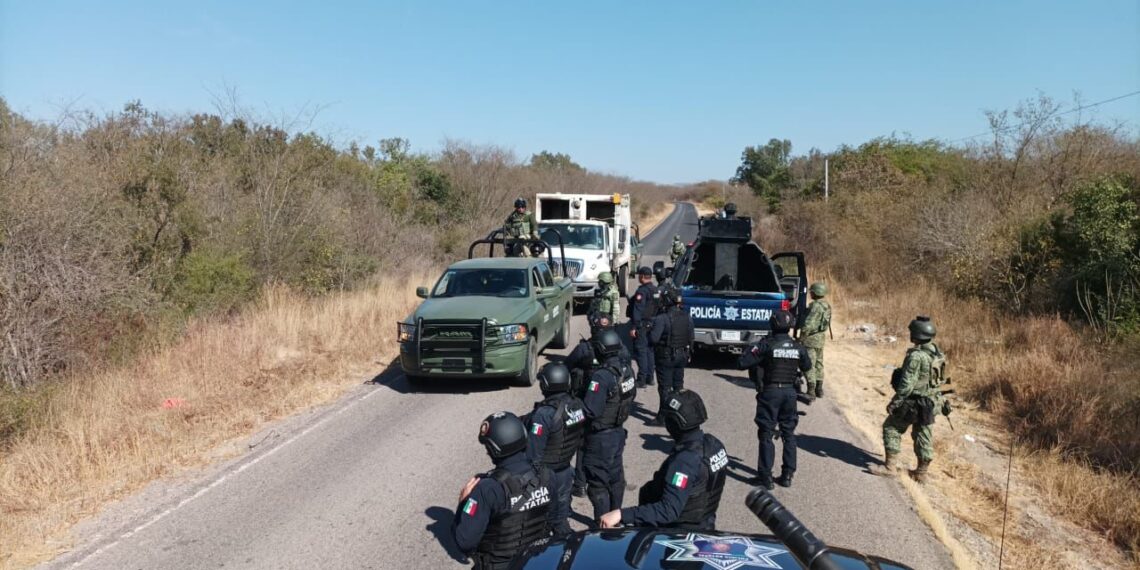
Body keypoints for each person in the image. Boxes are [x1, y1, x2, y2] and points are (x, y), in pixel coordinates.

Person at [600, 389, 727, 531]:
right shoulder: (714, 445)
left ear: (675, 422)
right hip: (706, 524)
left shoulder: (684, 462)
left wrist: (621, 514)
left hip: (679, 534)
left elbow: (668, 510)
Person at [453, 411, 553, 570]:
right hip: (536, 560)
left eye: (487, 446)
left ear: (494, 449)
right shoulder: (546, 475)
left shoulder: (487, 488)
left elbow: (465, 542)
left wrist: (463, 504)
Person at [737, 310, 812, 489]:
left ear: (772, 325)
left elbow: (742, 363)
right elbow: (807, 366)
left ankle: (766, 477)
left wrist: (751, 348)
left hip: (770, 393)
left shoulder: (766, 345)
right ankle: (787, 475)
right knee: (788, 433)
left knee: (766, 434)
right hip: (790, 393)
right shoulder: (797, 347)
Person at [875, 316, 949, 483]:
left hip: (913, 402)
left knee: (891, 427)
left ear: (916, 335)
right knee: (923, 435)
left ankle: (889, 468)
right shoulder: (938, 353)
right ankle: (921, 473)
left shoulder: (916, 356)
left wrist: (895, 402)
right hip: (931, 402)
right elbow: (941, 380)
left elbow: (907, 384)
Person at [524, 363, 587, 538]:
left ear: (545, 384)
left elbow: (533, 455)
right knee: (561, 515)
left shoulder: (544, 414)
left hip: (547, 475)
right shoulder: (576, 405)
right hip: (565, 471)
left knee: (547, 523)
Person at [581, 328, 636, 522]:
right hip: (618, 432)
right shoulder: (627, 370)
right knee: (616, 479)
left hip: (600, 437)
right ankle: (615, 518)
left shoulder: (602, 377)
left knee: (597, 484)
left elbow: (591, 410)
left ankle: (602, 525)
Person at [647, 284, 693, 426]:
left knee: (665, 388)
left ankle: (663, 417)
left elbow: (653, 339)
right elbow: (691, 337)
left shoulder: (662, 318)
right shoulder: (687, 317)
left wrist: (649, 330)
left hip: (666, 357)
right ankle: (679, 414)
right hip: (682, 355)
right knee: (678, 387)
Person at [628, 266, 660, 388]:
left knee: (641, 351)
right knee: (650, 351)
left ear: (641, 276)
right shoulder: (656, 290)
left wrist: (633, 327)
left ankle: (641, 380)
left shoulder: (642, 291)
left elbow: (638, 311)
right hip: (653, 323)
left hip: (642, 325)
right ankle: (650, 378)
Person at [799, 282, 832, 398]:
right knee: (819, 363)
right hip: (821, 338)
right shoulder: (827, 305)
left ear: (815, 292)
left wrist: (801, 338)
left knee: (809, 364)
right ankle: (819, 389)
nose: (810, 293)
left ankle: (811, 390)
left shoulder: (815, 306)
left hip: (811, 339)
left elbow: (808, 324)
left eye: (811, 291)